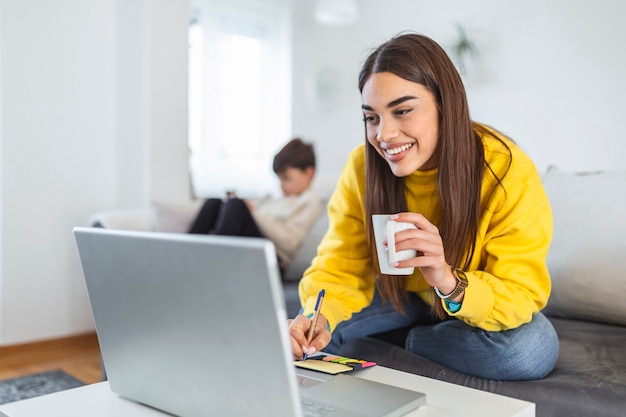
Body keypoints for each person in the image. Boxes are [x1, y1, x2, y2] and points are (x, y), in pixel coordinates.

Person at [288, 33, 559, 381]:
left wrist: (447, 280)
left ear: (445, 106)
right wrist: (316, 317)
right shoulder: (363, 167)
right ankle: (372, 336)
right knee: (309, 335)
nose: (384, 135)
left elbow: (521, 291)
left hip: (463, 302)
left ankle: (407, 341)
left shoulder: (506, 169)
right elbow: (339, 266)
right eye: (372, 118)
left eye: (402, 111)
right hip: (396, 297)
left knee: (532, 348)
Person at [188, 138, 323, 275]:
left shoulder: (309, 202)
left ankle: (211, 266)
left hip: (271, 260)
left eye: (286, 178)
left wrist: (253, 212)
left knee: (236, 205)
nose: (281, 185)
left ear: (308, 173)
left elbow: (290, 243)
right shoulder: (278, 197)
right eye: (279, 179)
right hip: (255, 247)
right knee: (214, 202)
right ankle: (186, 257)